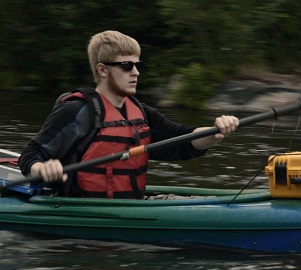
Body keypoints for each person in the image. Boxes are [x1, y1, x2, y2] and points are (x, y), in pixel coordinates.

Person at [18, 30, 239, 199]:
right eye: (126, 65)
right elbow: (30, 156)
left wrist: (216, 133)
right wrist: (42, 167)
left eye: (137, 65)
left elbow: (181, 140)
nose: (136, 72)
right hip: (78, 209)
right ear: (102, 70)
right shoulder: (77, 111)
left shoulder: (142, 112)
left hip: (128, 204)